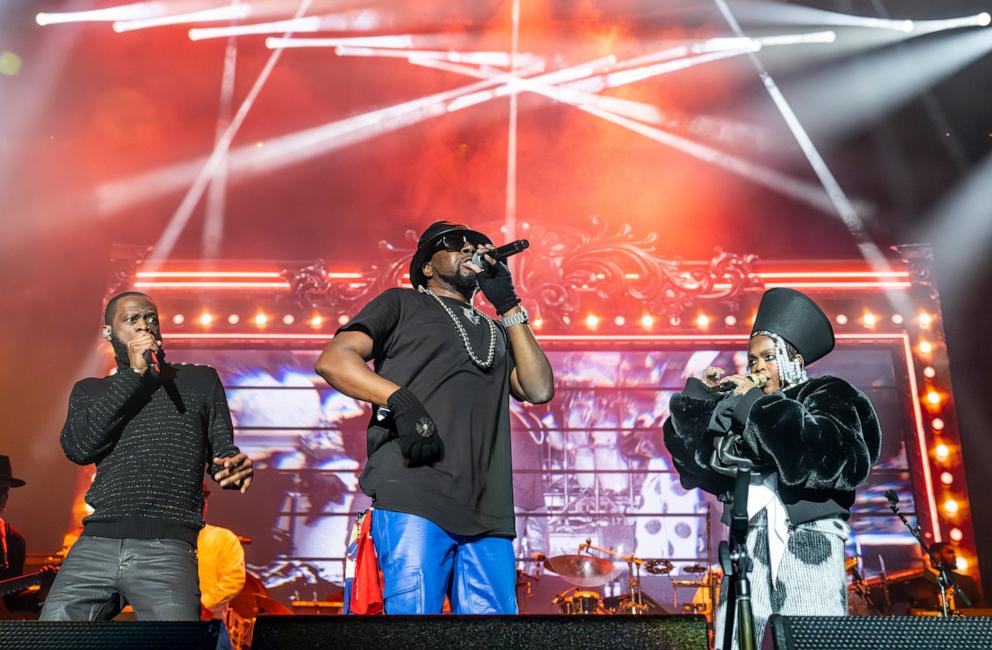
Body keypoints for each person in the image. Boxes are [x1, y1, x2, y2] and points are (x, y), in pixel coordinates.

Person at [315, 220, 554, 614]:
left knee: (491, 644)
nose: (469, 248)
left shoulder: (497, 330)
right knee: (413, 631)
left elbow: (539, 389)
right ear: (427, 266)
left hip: (487, 510)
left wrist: (509, 305)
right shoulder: (402, 303)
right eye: (455, 243)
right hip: (415, 494)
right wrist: (399, 399)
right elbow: (334, 360)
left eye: (477, 244)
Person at [663, 288, 881, 648]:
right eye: (752, 360)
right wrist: (699, 402)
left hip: (809, 539)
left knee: (810, 637)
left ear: (794, 358)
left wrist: (754, 405)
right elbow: (696, 467)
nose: (757, 367)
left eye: (768, 357)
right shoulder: (749, 413)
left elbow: (828, 459)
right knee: (735, 639)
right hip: (747, 544)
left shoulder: (828, 394)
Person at [40, 291, 254, 621]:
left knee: (177, 642)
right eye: (132, 319)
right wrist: (133, 376)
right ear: (109, 332)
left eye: (151, 318)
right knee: (51, 636)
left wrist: (231, 468)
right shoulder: (91, 391)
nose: (145, 326)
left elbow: (223, 453)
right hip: (96, 543)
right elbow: (79, 448)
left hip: (167, 548)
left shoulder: (199, 380)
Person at [198, 484, 246, 620]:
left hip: (209, 626)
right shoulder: (164, 540)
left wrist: (203, 604)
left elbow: (234, 579)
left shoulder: (224, 538)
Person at [0, 455, 39, 617]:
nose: (3, 497)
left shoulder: (13, 539)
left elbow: (12, 600)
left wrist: (42, 594)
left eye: (5, 490)